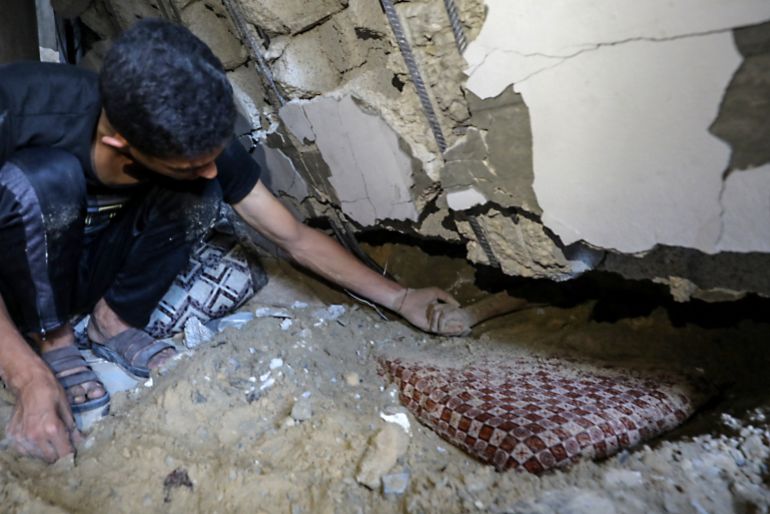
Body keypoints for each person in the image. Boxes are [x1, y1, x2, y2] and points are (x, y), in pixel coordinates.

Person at [0, 18, 462, 463]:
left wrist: (401, 298)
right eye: (187, 164)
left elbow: (293, 237)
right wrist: (27, 378)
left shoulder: (193, 132)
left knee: (206, 190)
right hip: (22, 268)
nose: (209, 168)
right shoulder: (19, 107)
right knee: (41, 177)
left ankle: (113, 321)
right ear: (121, 143)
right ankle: (54, 342)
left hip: (94, 262)